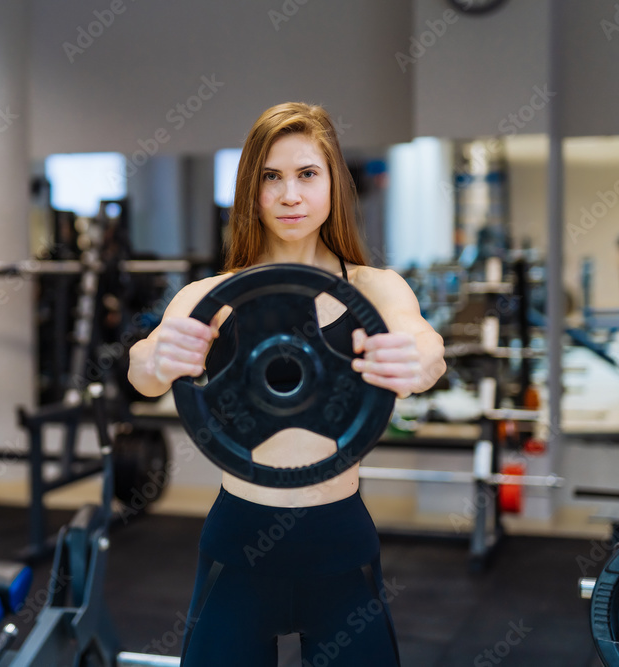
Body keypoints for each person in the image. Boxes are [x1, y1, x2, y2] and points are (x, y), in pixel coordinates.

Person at [128, 102, 447, 666]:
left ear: (333, 186)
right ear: (251, 190)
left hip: (340, 543)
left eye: (307, 175)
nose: (290, 195)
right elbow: (143, 369)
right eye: (271, 177)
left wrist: (415, 361)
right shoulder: (214, 297)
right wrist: (160, 356)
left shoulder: (374, 289)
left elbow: (424, 345)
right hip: (239, 544)